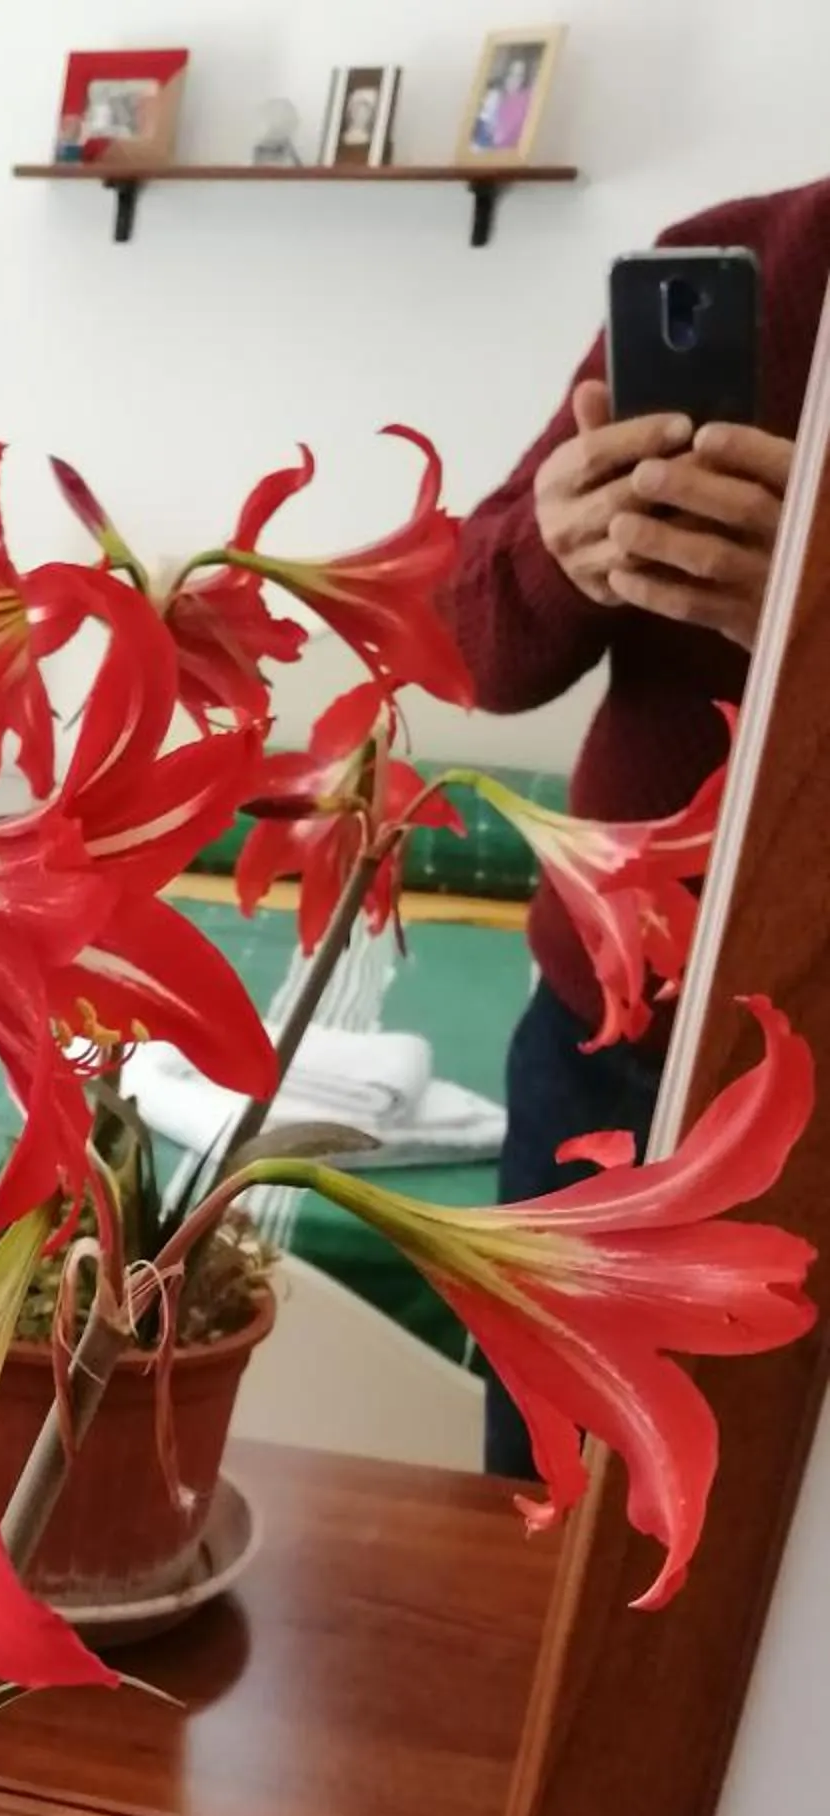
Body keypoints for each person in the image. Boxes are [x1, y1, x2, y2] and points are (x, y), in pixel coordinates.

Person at [449, 177, 830, 1475]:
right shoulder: (732, 256)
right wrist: (552, 543)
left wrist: (805, 626)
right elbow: (477, 653)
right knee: (529, 1490)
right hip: (593, 1030)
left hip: (800, 1073)